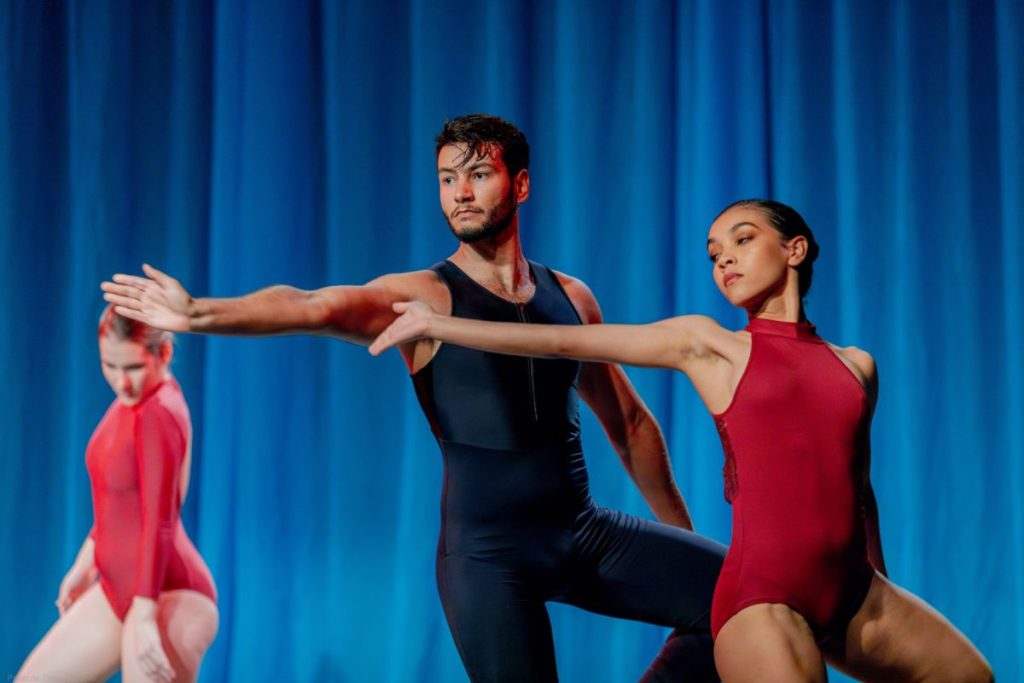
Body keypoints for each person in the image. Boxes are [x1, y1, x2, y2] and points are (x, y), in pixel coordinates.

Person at [101, 114, 725, 682]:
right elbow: (311, 305)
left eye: (478, 174)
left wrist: (682, 551)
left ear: (521, 185)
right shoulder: (423, 298)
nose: (459, 192)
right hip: (487, 562)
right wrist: (202, 313)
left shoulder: (571, 297)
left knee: (732, 599)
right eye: (447, 178)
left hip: (582, 534)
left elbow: (632, 426)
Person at [368, 198, 994, 682]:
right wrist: (440, 324)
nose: (724, 259)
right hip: (764, 601)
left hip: (857, 593)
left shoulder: (858, 365)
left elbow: (859, 489)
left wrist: (877, 578)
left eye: (742, 241)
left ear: (795, 248)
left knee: (973, 675)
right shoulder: (710, 346)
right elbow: (564, 342)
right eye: (714, 251)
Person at [17, 307, 218, 683]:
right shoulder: (133, 401)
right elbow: (119, 503)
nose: (121, 382)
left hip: (170, 595)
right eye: (110, 365)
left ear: (165, 354)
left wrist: (144, 615)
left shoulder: (161, 411)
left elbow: (159, 520)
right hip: (118, 590)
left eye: (133, 368)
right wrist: (86, 562)